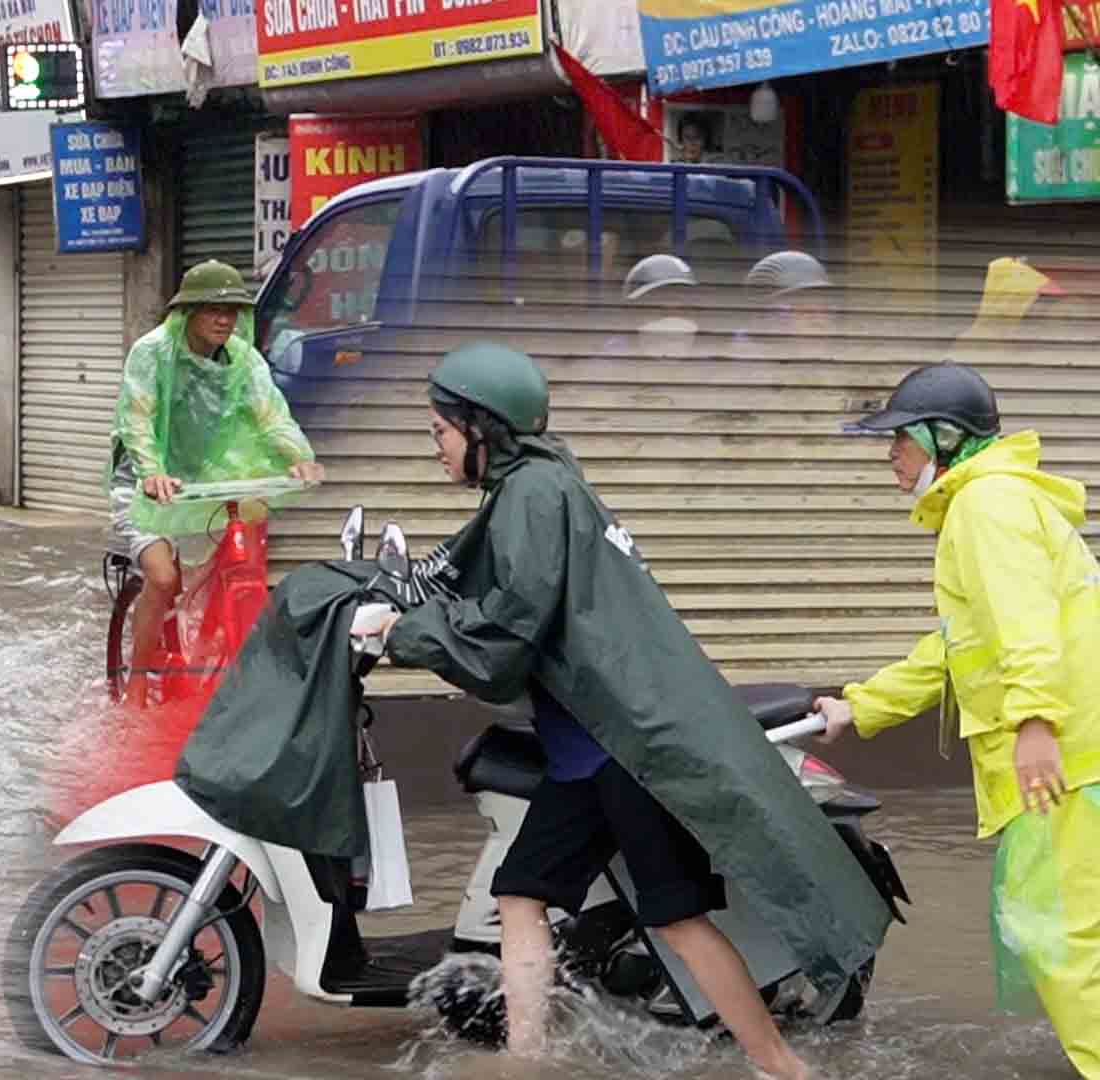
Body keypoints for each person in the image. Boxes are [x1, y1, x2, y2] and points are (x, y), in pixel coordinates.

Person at [354, 343, 886, 1078]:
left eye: (441, 431)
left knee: (675, 917)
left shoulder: (535, 495)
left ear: (484, 430)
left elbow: (509, 624)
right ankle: (527, 1061)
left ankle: (781, 1066)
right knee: (520, 893)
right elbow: (486, 588)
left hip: (628, 748)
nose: (435, 446)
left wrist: (400, 632)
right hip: (586, 748)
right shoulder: (537, 485)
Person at [814, 362, 1100, 1079]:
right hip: (1078, 744)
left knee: (1063, 937)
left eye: (899, 441)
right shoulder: (991, 503)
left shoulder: (986, 506)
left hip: (1068, 754)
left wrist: (1036, 724)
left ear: (944, 439)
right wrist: (862, 706)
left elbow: (1025, 623)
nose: (890, 456)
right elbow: (957, 648)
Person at [108, 259, 325, 705]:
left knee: (241, 559)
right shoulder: (152, 353)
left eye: (232, 311)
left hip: (206, 479)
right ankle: (136, 676)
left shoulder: (243, 358)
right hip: (146, 482)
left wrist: (300, 458)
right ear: (188, 312)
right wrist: (151, 471)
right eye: (212, 310)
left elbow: (271, 414)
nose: (224, 320)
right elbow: (138, 419)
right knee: (164, 576)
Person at [605, 253, 701, 358]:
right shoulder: (614, 362)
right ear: (631, 316)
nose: (671, 325)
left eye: (682, 311)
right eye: (660, 313)